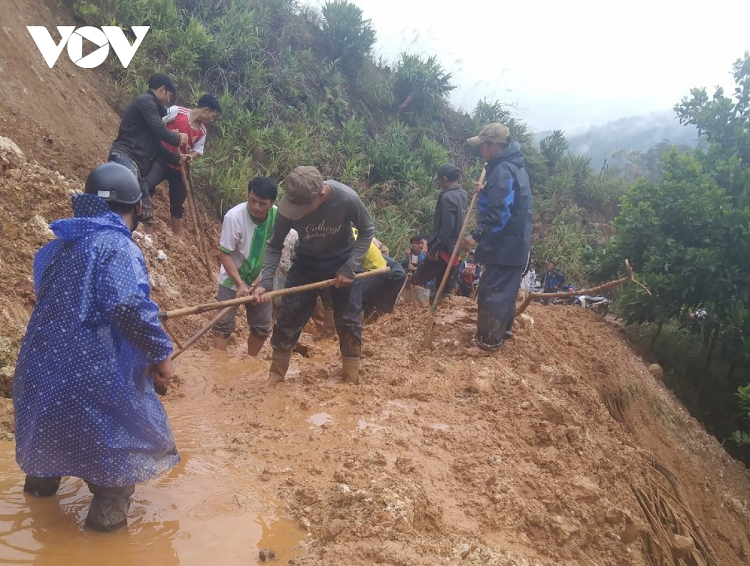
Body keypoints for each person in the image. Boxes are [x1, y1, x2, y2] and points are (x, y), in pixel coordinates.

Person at [13, 162, 178, 532]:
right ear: (137, 207)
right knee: (114, 467)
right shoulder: (117, 246)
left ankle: (38, 513)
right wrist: (160, 355)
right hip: (92, 377)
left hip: (40, 370)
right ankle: (105, 538)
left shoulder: (60, 246)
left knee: (46, 453)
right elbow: (127, 305)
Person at [253, 166, 375, 385]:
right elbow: (274, 246)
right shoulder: (287, 208)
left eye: (303, 209)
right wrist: (267, 281)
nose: (296, 214)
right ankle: (276, 376)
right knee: (288, 319)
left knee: (348, 320)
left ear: (320, 196)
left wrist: (350, 266)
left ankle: (350, 379)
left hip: (343, 260)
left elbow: (367, 231)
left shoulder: (347, 199)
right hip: (306, 264)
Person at [463, 123, 533, 351]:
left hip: (505, 247)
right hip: (516, 245)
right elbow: (505, 201)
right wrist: (485, 190)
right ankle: (503, 331)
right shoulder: (514, 167)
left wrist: (476, 235)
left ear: (493, 145)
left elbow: (500, 213)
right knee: (505, 290)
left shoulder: (502, 171)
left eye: (482, 145)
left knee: (492, 292)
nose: (480, 150)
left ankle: (489, 342)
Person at [109, 73, 191, 232]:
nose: (168, 101)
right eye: (169, 96)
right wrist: (178, 138)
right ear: (162, 90)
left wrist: (177, 159)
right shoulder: (146, 101)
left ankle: (146, 239)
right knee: (130, 196)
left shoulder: (151, 109)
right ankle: (142, 235)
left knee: (139, 203)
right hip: (126, 155)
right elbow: (159, 130)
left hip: (134, 160)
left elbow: (157, 145)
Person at [212, 177, 278, 355]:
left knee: (262, 327)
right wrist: (240, 284)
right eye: (252, 200)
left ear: (272, 203)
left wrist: (265, 279)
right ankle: (219, 366)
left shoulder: (278, 218)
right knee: (223, 324)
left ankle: (250, 360)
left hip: (262, 279)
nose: (256, 206)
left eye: (262, 203)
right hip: (232, 278)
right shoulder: (234, 217)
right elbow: (224, 252)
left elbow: (280, 251)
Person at [145, 94, 223, 235]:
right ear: (205, 110)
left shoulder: (202, 131)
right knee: (148, 185)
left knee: (177, 205)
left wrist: (189, 157)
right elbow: (158, 125)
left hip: (180, 168)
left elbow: (197, 151)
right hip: (163, 159)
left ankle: (177, 238)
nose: (212, 120)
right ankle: (144, 220)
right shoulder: (177, 111)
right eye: (212, 116)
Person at [411, 164, 469, 308]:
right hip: (455, 249)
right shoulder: (463, 194)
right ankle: (441, 317)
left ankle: (419, 315)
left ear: (444, 179)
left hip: (442, 250)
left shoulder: (447, 197)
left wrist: (434, 249)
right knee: (445, 290)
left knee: (417, 281)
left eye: (439, 180)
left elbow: (447, 227)